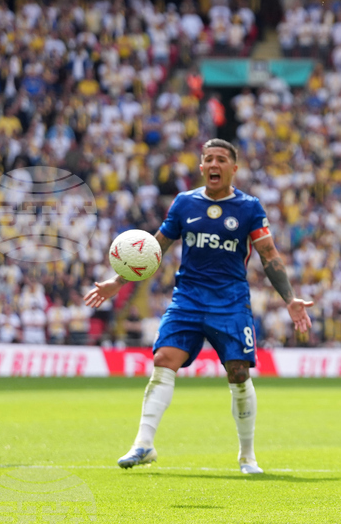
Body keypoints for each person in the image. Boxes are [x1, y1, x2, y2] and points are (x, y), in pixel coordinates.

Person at [85, 139, 313, 474]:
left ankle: (247, 456)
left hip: (230, 302)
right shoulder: (184, 203)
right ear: (202, 167)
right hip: (188, 299)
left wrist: (289, 298)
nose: (214, 164)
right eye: (208, 159)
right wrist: (117, 282)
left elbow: (269, 255)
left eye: (221, 159)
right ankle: (143, 444)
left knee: (238, 372)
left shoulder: (249, 207)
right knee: (163, 360)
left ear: (234, 168)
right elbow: (155, 249)